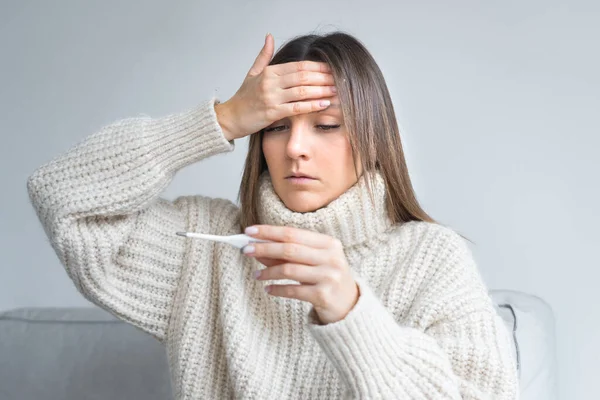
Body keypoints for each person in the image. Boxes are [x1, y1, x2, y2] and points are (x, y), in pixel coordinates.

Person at [27, 31, 519, 399]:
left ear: (374, 141)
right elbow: (63, 193)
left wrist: (350, 310)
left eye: (326, 125)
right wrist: (223, 118)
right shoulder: (207, 248)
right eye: (276, 127)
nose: (295, 148)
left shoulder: (431, 258)